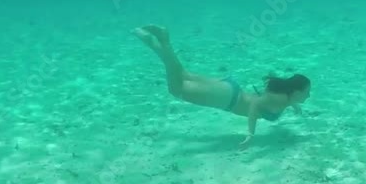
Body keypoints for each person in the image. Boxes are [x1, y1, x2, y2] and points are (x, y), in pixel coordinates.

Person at [132, 24, 310, 148]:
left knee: (182, 75)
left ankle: (158, 40)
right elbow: (256, 106)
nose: (308, 96)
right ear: (296, 91)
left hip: (231, 91)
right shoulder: (281, 100)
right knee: (177, 89)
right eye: (306, 93)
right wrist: (251, 134)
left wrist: (294, 104)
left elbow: (270, 98)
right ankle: (161, 40)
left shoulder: (286, 97)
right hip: (228, 99)